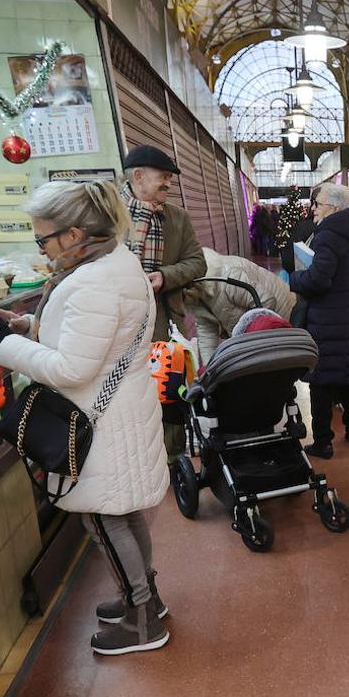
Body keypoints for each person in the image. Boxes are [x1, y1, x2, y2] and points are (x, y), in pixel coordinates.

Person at [0, 181, 170, 656]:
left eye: (43, 239)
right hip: (119, 412)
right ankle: (146, 600)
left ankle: (141, 621)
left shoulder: (93, 281)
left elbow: (73, 367)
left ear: (73, 234)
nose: (41, 249)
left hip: (99, 424)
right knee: (123, 514)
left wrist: (6, 348)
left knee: (104, 521)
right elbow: (92, 338)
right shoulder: (115, 263)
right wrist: (27, 325)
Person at [120, 145, 205, 465]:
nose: (168, 185)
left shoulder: (177, 218)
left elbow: (197, 263)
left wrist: (165, 276)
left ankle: (172, 459)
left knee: (171, 393)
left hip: (164, 322)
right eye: (163, 178)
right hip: (119, 323)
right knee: (127, 393)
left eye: (170, 179)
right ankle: (136, 456)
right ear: (138, 177)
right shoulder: (108, 217)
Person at [290, 185, 349, 459]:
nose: (314, 208)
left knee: (322, 380)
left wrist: (293, 279)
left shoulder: (328, 235)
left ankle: (323, 441)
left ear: (334, 208)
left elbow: (318, 279)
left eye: (319, 203)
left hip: (330, 319)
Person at [185, 246, 297, 362]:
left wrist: (246, 342)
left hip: (286, 316)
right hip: (260, 335)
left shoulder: (227, 276)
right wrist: (209, 370)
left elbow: (266, 301)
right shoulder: (195, 297)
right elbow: (207, 332)